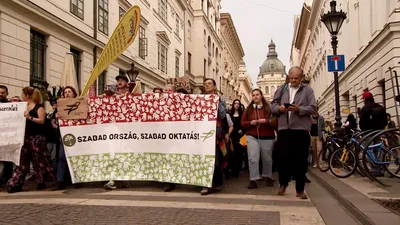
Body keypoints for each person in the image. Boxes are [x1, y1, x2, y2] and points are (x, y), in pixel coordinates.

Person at [271, 66, 317, 199]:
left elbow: (313, 108)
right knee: (283, 158)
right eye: (291, 78)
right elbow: (272, 106)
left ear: (301, 78)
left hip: (301, 129)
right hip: (284, 129)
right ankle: (283, 184)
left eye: (296, 78)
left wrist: (299, 109)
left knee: (301, 160)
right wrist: (280, 109)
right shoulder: (282, 89)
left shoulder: (308, 90)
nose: (293, 81)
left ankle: (300, 189)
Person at [8, 87, 55, 193]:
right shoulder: (21, 106)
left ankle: (41, 181)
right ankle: (16, 183)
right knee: (21, 162)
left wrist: (29, 117)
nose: (21, 96)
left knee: (38, 161)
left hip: (36, 138)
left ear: (27, 95)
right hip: (24, 137)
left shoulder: (39, 107)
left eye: (23, 94)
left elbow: (42, 121)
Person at [241, 89, 276, 189]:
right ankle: (253, 179)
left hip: (268, 136)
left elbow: (275, 121)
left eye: (257, 95)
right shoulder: (248, 109)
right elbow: (242, 123)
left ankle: (268, 176)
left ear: (261, 96)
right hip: (252, 136)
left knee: (267, 159)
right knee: (253, 158)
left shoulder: (269, 108)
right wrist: (250, 123)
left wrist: (266, 121)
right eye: (253, 95)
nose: (255, 96)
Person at [51, 86, 81, 191]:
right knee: (62, 158)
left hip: (76, 134)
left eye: (69, 92)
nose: (67, 93)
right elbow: (54, 121)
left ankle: (77, 179)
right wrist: (57, 116)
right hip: (64, 135)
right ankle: (60, 181)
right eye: (65, 92)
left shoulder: (80, 104)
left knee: (75, 157)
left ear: (74, 94)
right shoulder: (60, 106)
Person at [200, 78, 227, 195]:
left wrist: (216, 102)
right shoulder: (200, 98)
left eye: (209, 84)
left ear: (214, 86)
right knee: (204, 158)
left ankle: (215, 183)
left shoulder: (220, 99)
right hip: (202, 132)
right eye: (205, 84)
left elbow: (221, 115)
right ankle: (206, 184)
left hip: (215, 132)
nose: (207, 85)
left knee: (215, 160)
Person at [0, 85, 15, 185]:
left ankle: (7, 179)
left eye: (2, 93)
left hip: (7, 136)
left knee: (8, 159)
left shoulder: (11, 105)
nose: (0, 94)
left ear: (7, 94)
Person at [229, 99, 245, 177]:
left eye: (238, 103)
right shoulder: (230, 114)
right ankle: (232, 169)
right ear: (233, 104)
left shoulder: (242, 114)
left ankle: (237, 170)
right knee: (232, 153)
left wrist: (242, 130)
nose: (237, 105)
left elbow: (244, 124)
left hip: (240, 137)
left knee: (239, 153)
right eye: (235, 103)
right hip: (232, 136)